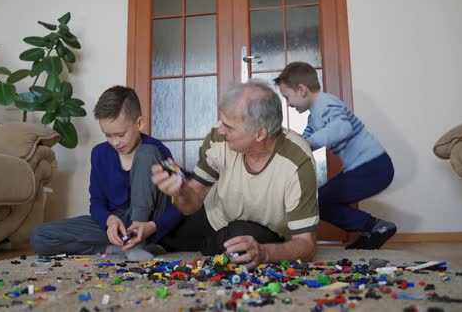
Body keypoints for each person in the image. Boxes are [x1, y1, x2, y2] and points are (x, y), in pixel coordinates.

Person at [152, 80, 319, 269]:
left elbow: (306, 245)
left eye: (229, 126)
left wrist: (265, 253)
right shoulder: (217, 138)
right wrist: (180, 190)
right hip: (217, 214)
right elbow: (191, 203)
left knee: (241, 239)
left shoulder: (297, 161)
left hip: (264, 232)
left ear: (259, 134)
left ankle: (214, 245)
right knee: (165, 234)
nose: (220, 129)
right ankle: (211, 244)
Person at [31, 86, 182, 261]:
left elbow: (179, 204)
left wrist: (153, 226)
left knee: (147, 152)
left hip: (149, 222)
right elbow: (96, 203)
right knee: (40, 237)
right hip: (118, 223)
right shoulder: (99, 154)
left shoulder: (158, 150)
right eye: (108, 135)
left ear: (139, 123)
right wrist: (109, 220)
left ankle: (139, 243)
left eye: (120, 134)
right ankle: (116, 248)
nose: (115, 142)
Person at [274, 61, 396, 249]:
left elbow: (342, 127)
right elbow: (304, 142)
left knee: (320, 201)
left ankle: (375, 227)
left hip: (373, 166)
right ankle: (373, 229)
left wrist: (310, 142)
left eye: (287, 97)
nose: (288, 104)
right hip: (364, 168)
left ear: (302, 89)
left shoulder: (326, 103)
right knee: (322, 201)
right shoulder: (314, 114)